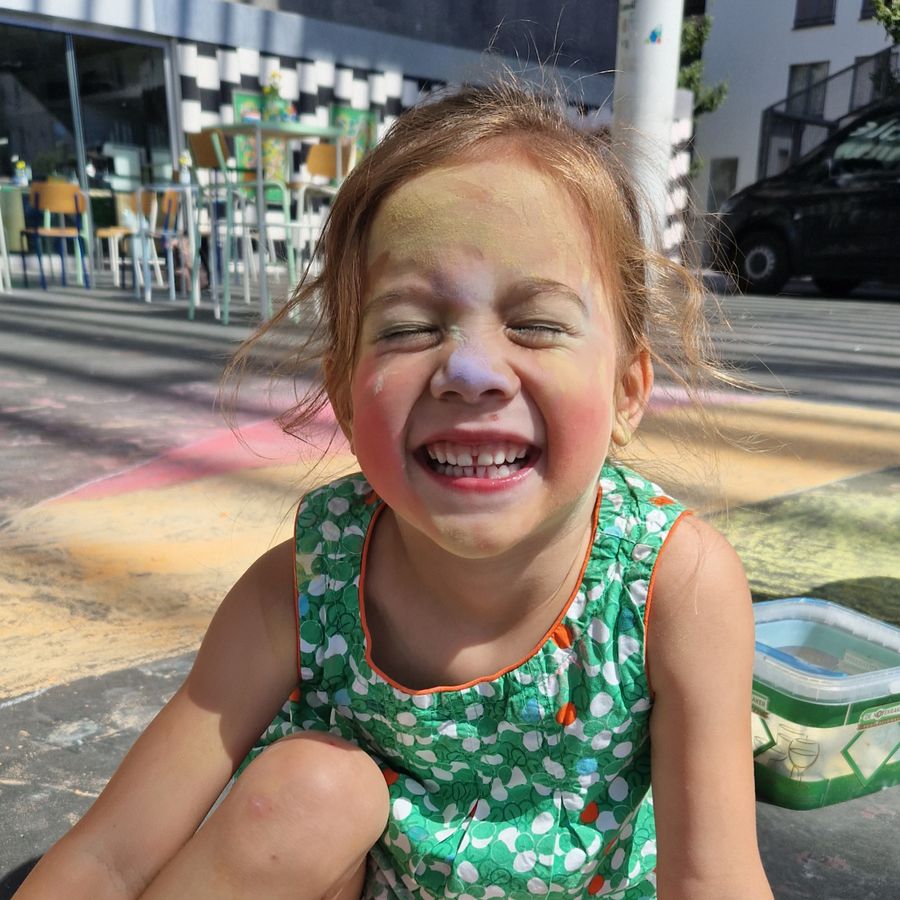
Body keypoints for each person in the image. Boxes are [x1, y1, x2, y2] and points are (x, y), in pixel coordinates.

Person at [17, 81, 773, 899]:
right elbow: (110, 857)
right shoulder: (305, 586)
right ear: (345, 398)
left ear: (627, 392)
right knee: (312, 789)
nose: (471, 372)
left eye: (536, 324)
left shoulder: (676, 587)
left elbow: (714, 881)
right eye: (410, 328)